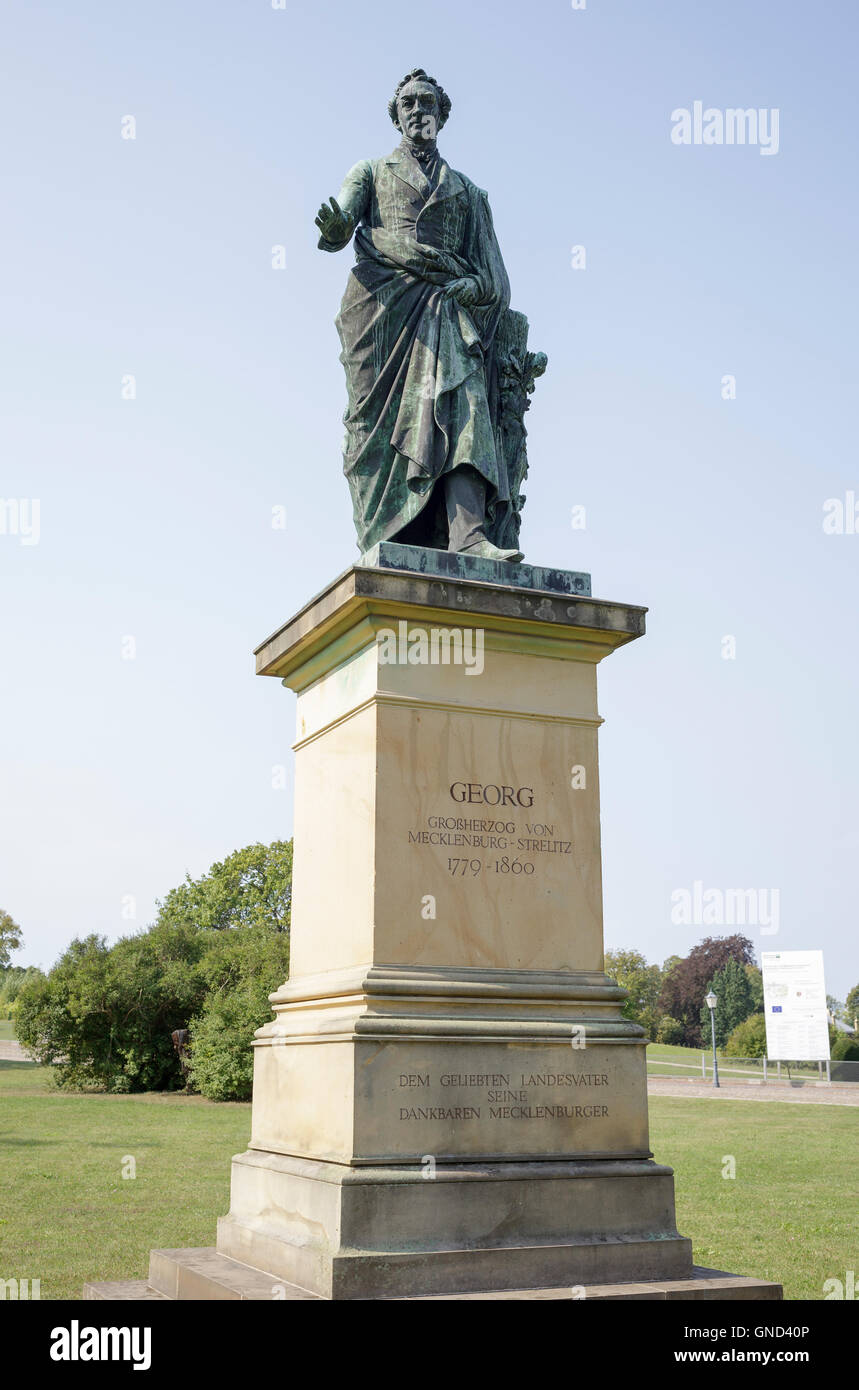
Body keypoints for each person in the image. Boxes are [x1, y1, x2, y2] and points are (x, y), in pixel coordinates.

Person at [316, 68, 523, 562]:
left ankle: (469, 534)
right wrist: (337, 225)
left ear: (442, 115)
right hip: (385, 314)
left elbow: (496, 278)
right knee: (381, 431)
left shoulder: (470, 194)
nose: (417, 110)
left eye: (426, 102)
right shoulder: (369, 172)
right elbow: (343, 220)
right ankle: (399, 538)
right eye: (407, 102)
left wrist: (473, 284)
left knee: (463, 405)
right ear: (396, 116)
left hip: (449, 314)